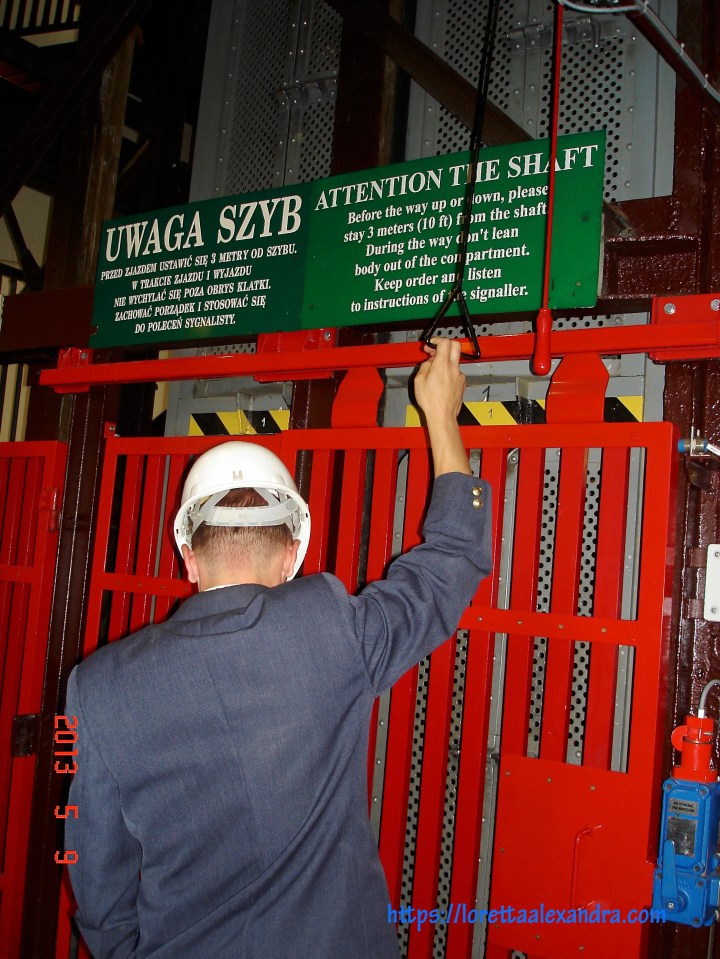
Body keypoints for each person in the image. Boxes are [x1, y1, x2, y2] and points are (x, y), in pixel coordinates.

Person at [64, 337, 492, 958]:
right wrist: (441, 414)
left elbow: (97, 883)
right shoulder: (331, 630)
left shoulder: (97, 685)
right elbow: (452, 559)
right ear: (293, 553)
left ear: (186, 551)